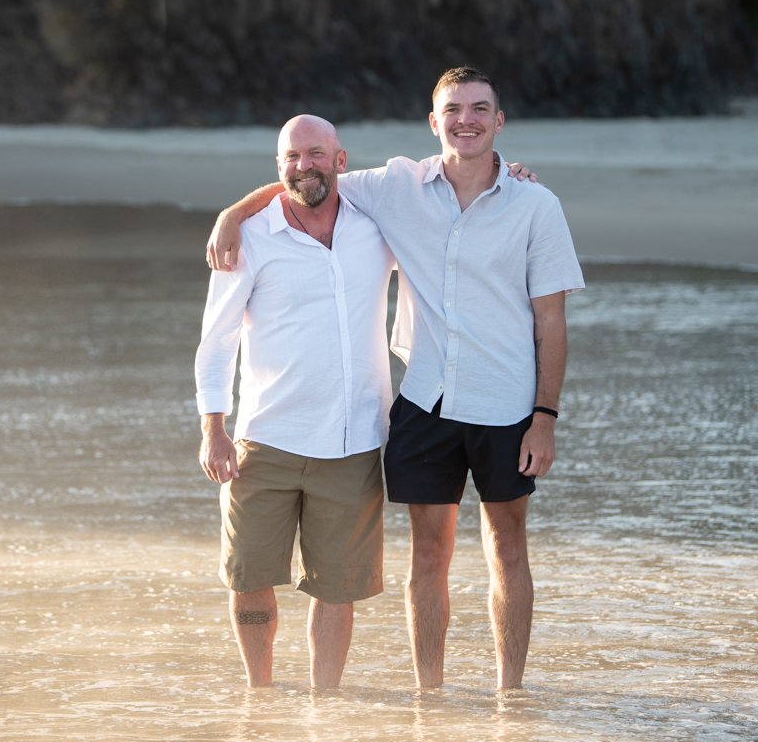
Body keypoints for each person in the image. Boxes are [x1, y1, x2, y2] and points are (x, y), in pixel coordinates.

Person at [207, 67, 583, 690]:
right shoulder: (395, 188)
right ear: (434, 123)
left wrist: (546, 417)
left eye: (479, 109)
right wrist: (233, 211)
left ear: (498, 121)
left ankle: (509, 695)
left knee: (508, 549)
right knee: (427, 556)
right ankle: (428, 696)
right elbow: (305, 179)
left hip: (507, 404)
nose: (467, 119)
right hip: (425, 403)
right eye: (453, 110)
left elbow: (553, 321)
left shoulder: (536, 205)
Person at [195, 114, 394, 690]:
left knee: (336, 586)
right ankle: (260, 697)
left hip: (353, 440)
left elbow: (443, 181)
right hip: (264, 440)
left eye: (314, 154)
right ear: (277, 166)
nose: (302, 165)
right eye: (289, 157)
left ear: (341, 160)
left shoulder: (377, 224)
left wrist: (512, 173)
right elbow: (217, 341)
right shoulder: (250, 239)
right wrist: (214, 427)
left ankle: (323, 704)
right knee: (249, 577)